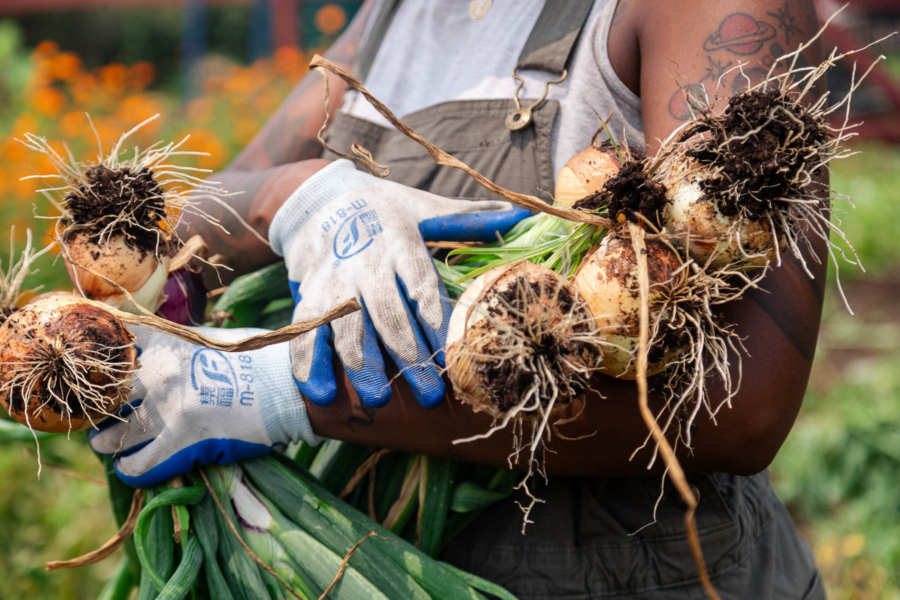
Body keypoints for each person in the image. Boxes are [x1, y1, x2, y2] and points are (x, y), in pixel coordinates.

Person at [90, 0, 830, 597]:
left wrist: (278, 393)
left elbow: (744, 405)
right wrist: (297, 193)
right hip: (385, 554)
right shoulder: (394, 16)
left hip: (625, 569)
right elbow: (186, 218)